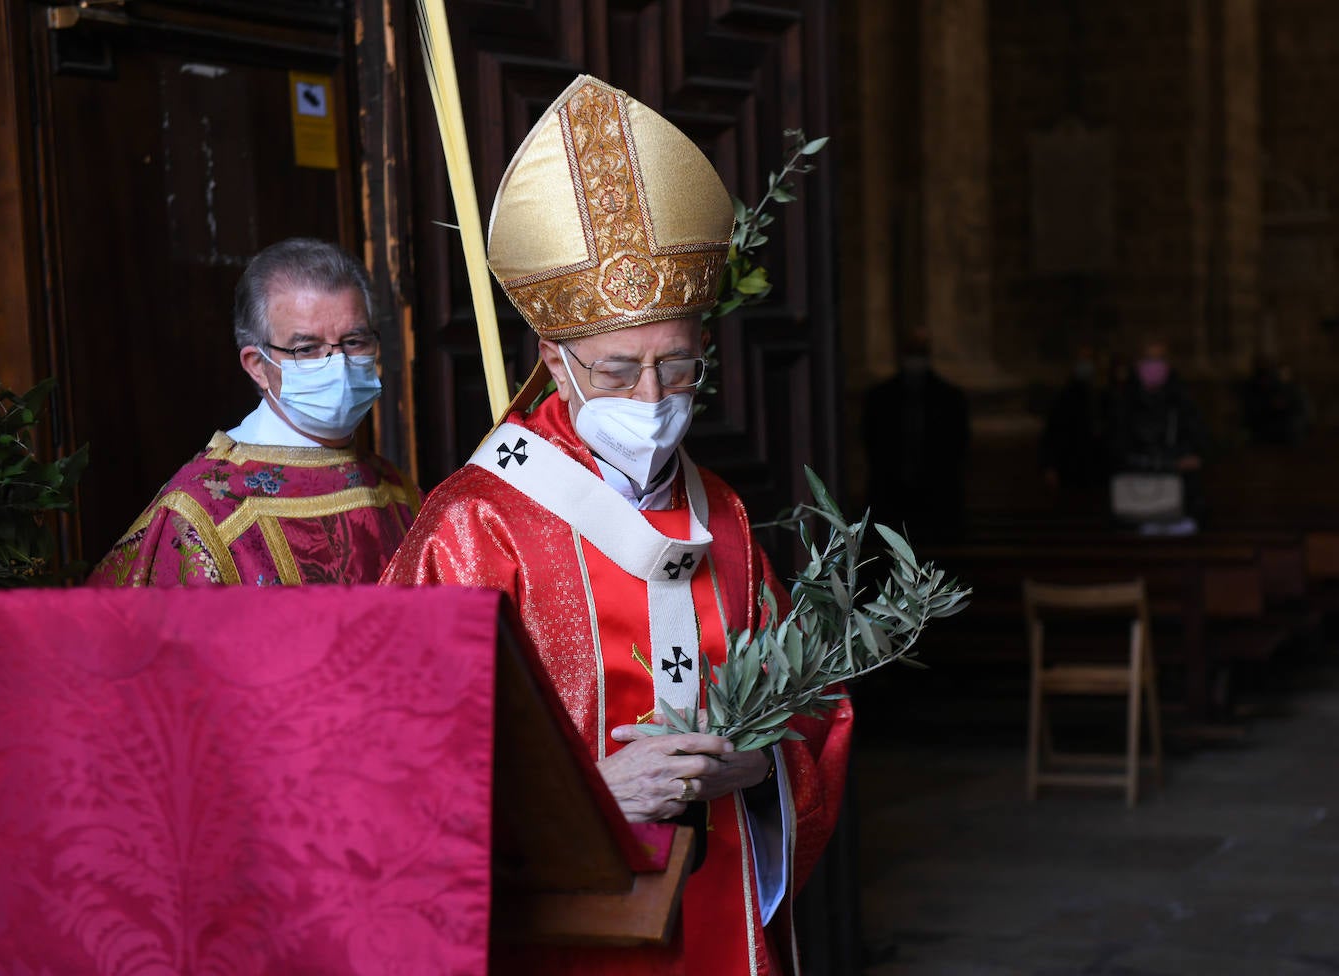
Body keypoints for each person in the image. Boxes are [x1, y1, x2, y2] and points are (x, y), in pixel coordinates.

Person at [381, 76, 851, 974]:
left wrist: (761, 768)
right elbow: (396, 761)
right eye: (615, 370)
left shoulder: (723, 511)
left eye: (678, 369)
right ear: (554, 364)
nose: (651, 399)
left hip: (718, 902)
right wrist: (591, 794)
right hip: (561, 924)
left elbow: (812, 707)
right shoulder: (475, 525)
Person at [89, 238, 420, 586]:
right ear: (257, 365)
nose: (338, 364)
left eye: (354, 342)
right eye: (307, 348)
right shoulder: (198, 514)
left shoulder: (398, 491)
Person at [862, 327, 971, 543]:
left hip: (938, 501)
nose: (915, 360)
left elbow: (958, 444)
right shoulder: (879, 398)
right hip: (890, 500)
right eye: (912, 353)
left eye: (920, 353)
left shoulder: (950, 399)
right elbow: (871, 441)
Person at [1107, 338, 1207, 531]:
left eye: (1159, 359)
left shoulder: (1181, 402)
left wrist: (1186, 458)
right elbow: (1117, 452)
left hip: (1177, 506)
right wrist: (1169, 463)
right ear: (1137, 364)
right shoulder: (1123, 404)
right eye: (1149, 359)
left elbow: (1198, 444)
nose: (1154, 366)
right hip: (1134, 506)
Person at [1039, 343, 1110, 507]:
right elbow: (1053, 433)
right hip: (1070, 467)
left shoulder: (1103, 396)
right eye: (1082, 359)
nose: (1085, 364)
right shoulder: (1064, 397)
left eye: (1089, 359)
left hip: (1097, 468)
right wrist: (1050, 465)